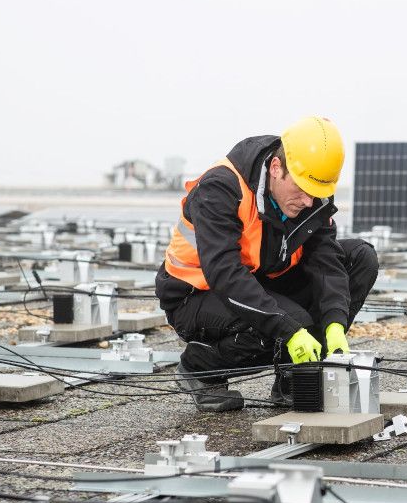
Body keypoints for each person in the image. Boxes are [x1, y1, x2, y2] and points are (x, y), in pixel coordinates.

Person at [155, 116, 379, 411]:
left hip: (260, 279)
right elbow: (224, 273)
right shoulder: (221, 188)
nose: (308, 202)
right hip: (196, 294)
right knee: (284, 322)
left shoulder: (311, 187)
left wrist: (335, 322)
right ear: (276, 168)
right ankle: (200, 367)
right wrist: (289, 329)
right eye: (300, 190)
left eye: (316, 193)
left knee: (360, 258)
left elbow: (326, 261)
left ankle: (296, 378)